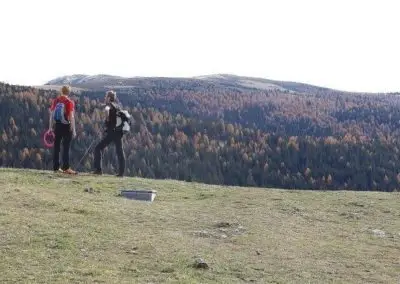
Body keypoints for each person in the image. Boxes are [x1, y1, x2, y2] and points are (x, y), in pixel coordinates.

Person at [92, 90, 126, 177]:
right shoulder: (118, 106)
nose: (104, 98)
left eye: (105, 96)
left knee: (98, 148)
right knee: (120, 152)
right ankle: (121, 173)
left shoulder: (108, 106)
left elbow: (107, 112)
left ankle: (98, 170)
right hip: (119, 132)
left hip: (112, 132)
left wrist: (106, 121)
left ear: (108, 98)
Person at [49, 85, 77, 174]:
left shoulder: (56, 101)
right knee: (66, 147)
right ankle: (66, 168)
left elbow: (52, 115)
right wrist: (74, 129)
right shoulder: (69, 102)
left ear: (61, 91)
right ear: (68, 92)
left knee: (56, 147)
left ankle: (56, 168)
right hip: (66, 126)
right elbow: (71, 116)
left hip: (57, 126)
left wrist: (50, 127)